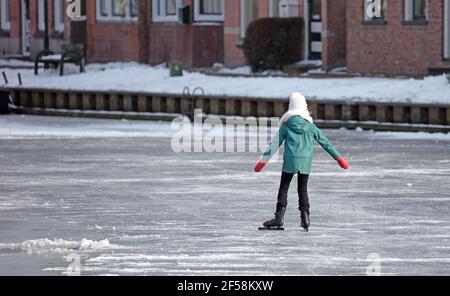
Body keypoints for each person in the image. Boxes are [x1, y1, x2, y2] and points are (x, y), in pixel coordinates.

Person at [254, 92, 349, 231]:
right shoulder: (311, 127)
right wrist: (339, 159)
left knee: (284, 188)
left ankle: (279, 218)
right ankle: (305, 218)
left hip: (290, 160)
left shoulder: (286, 126)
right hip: (305, 160)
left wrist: (263, 161)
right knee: (302, 189)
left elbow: (274, 145)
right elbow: (325, 143)